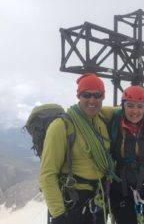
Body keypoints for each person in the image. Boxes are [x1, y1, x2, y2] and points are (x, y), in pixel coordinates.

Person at [39, 73, 117, 224]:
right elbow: (47, 174)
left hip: (98, 198)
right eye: (86, 95)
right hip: (74, 202)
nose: (92, 100)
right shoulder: (61, 126)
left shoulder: (101, 117)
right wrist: (59, 215)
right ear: (78, 95)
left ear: (103, 97)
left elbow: (125, 109)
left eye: (97, 95)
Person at [106, 85, 144, 224]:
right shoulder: (114, 123)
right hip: (123, 191)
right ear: (123, 106)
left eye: (140, 106)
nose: (135, 111)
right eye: (130, 105)